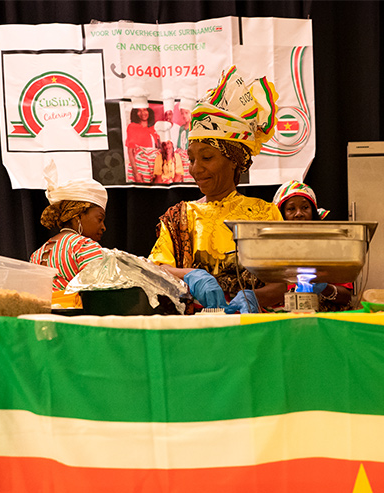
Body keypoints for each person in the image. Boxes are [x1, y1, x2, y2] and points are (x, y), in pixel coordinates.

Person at [149, 66, 284, 313]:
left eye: (207, 157)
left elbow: (281, 283)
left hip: (251, 330)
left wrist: (255, 297)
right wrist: (190, 275)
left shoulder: (265, 214)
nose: (195, 169)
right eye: (191, 159)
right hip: (193, 332)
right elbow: (155, 269)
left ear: (234, 160)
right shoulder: (179, 217)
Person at [30, 162, 107, 309]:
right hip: (75, 323)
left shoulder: (36, 255)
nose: (103, 227)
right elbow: (99, 296)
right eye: (100, 219)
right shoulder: (84, 246)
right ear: (77, 216)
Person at [272, 180, 350, 310]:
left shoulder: (331, 247)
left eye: (305, 207)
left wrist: (326, 288)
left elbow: (346, 296)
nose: (299, 214)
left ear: (313, 211)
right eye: (291, 209)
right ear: (282, 214)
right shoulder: (270, 250)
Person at [125, 106, 161, 183]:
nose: (143, 113)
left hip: (154, 166)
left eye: (144, 110)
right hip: (140, 166)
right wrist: (136, 173)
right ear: (135, 113)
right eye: (139, 111)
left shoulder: (154, 128)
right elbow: (130, 152)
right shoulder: (132, 127)